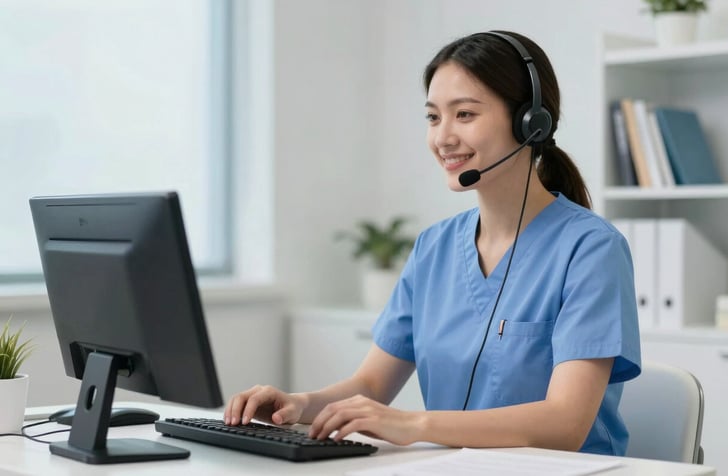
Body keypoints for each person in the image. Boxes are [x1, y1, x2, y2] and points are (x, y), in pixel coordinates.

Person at [225, 30, 641, 456]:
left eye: (464, 115)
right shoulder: (434, 248)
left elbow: (565, 423)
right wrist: (299, 404)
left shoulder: (590, 249)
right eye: (432, 117)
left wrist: (414, 424)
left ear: (530, 123)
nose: (443, 137)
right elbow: (371, 385)